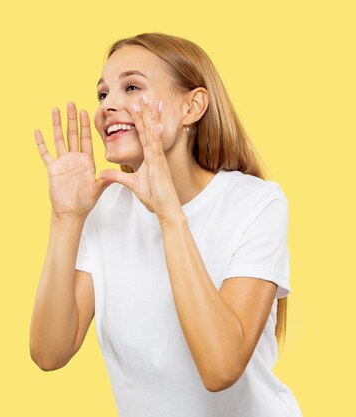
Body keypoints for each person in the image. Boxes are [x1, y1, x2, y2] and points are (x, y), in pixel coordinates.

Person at [29, 32, 302, 417]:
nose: (109, 106)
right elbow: (49, 352)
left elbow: (220, 368)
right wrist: (66, 220)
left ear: (192, 107)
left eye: (132, 87)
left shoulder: (256, 204)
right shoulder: (107, 208)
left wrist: (169, 215)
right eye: (103, 94)